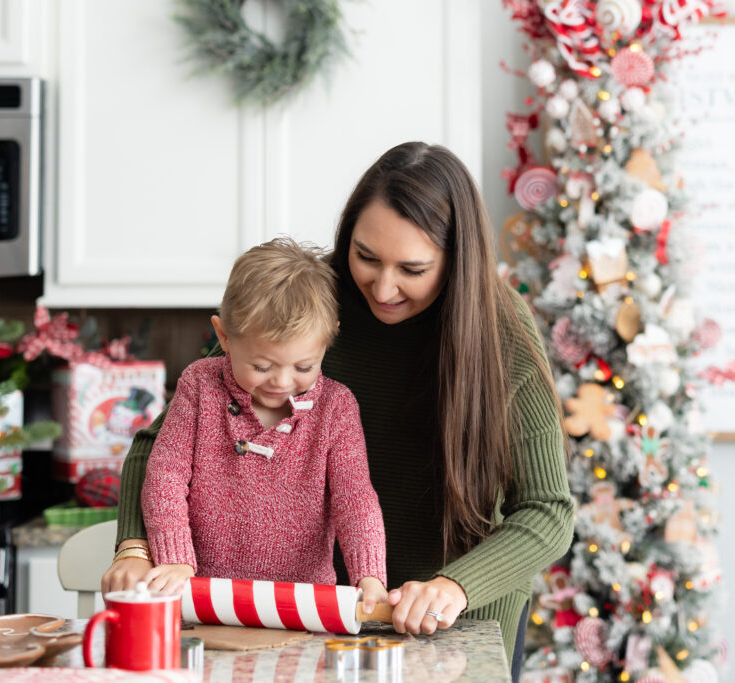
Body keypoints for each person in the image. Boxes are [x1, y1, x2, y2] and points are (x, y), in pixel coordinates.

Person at [102, 142, 574, 682]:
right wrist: (135, 548)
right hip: (327, 615)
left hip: (459, 619)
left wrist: (454, 587)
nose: (383, 287)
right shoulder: (309, 300)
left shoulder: (500, 330)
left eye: (412, 269)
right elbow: (161, 445)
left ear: (456, 262)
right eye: (366, 257)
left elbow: (547, 510)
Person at [136, 237, 388, 611]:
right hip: (205, 599)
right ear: (224, 336)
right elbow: (165, 476)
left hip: (302, 607)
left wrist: (370, 576)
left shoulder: (336, 407)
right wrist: (175, 558)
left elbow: (355, 499)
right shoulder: (199, 385)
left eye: (303, 366)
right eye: (262, 366)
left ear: (327, 340)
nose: (282, 382)